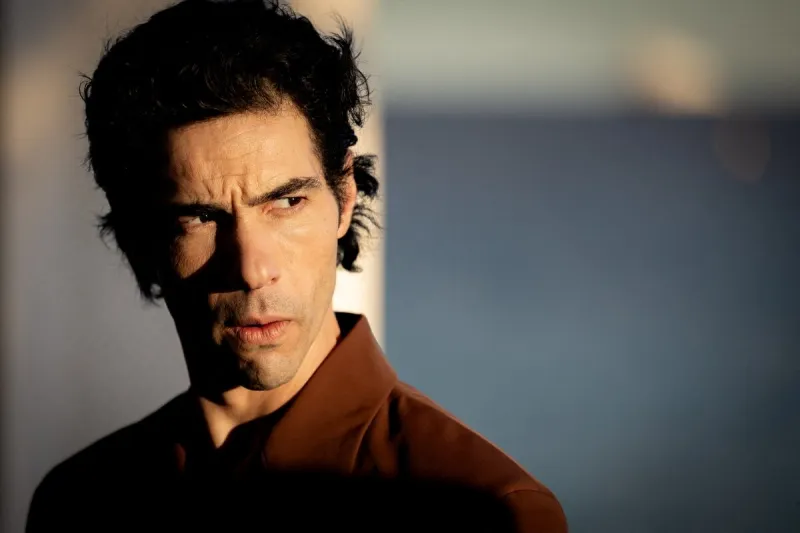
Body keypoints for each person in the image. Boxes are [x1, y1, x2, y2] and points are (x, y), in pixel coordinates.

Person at [27, 1, 567, 531]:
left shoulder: (486, 511)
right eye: (199, 217)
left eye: (287, 202)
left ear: (345, 195)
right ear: (135, 237)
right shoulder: (80, 500)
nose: (252, 268)